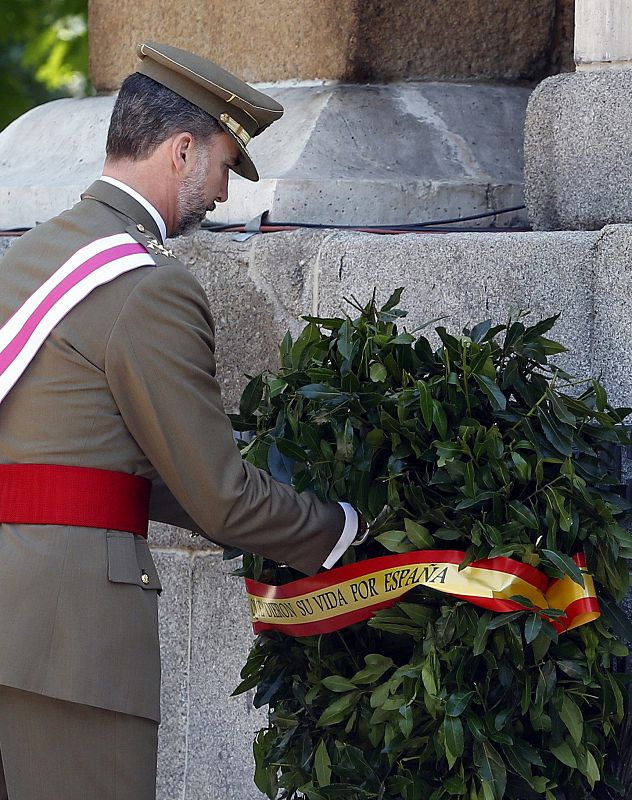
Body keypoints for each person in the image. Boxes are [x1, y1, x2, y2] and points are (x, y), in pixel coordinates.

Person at [0, 42, 364, 800]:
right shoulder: (149, 284)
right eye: (225, 165)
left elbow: (101, 465)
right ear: (183, 149)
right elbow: (217, 493)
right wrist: (338, 532)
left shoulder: (28, 259)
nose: (223, 194)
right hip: (69, 648)